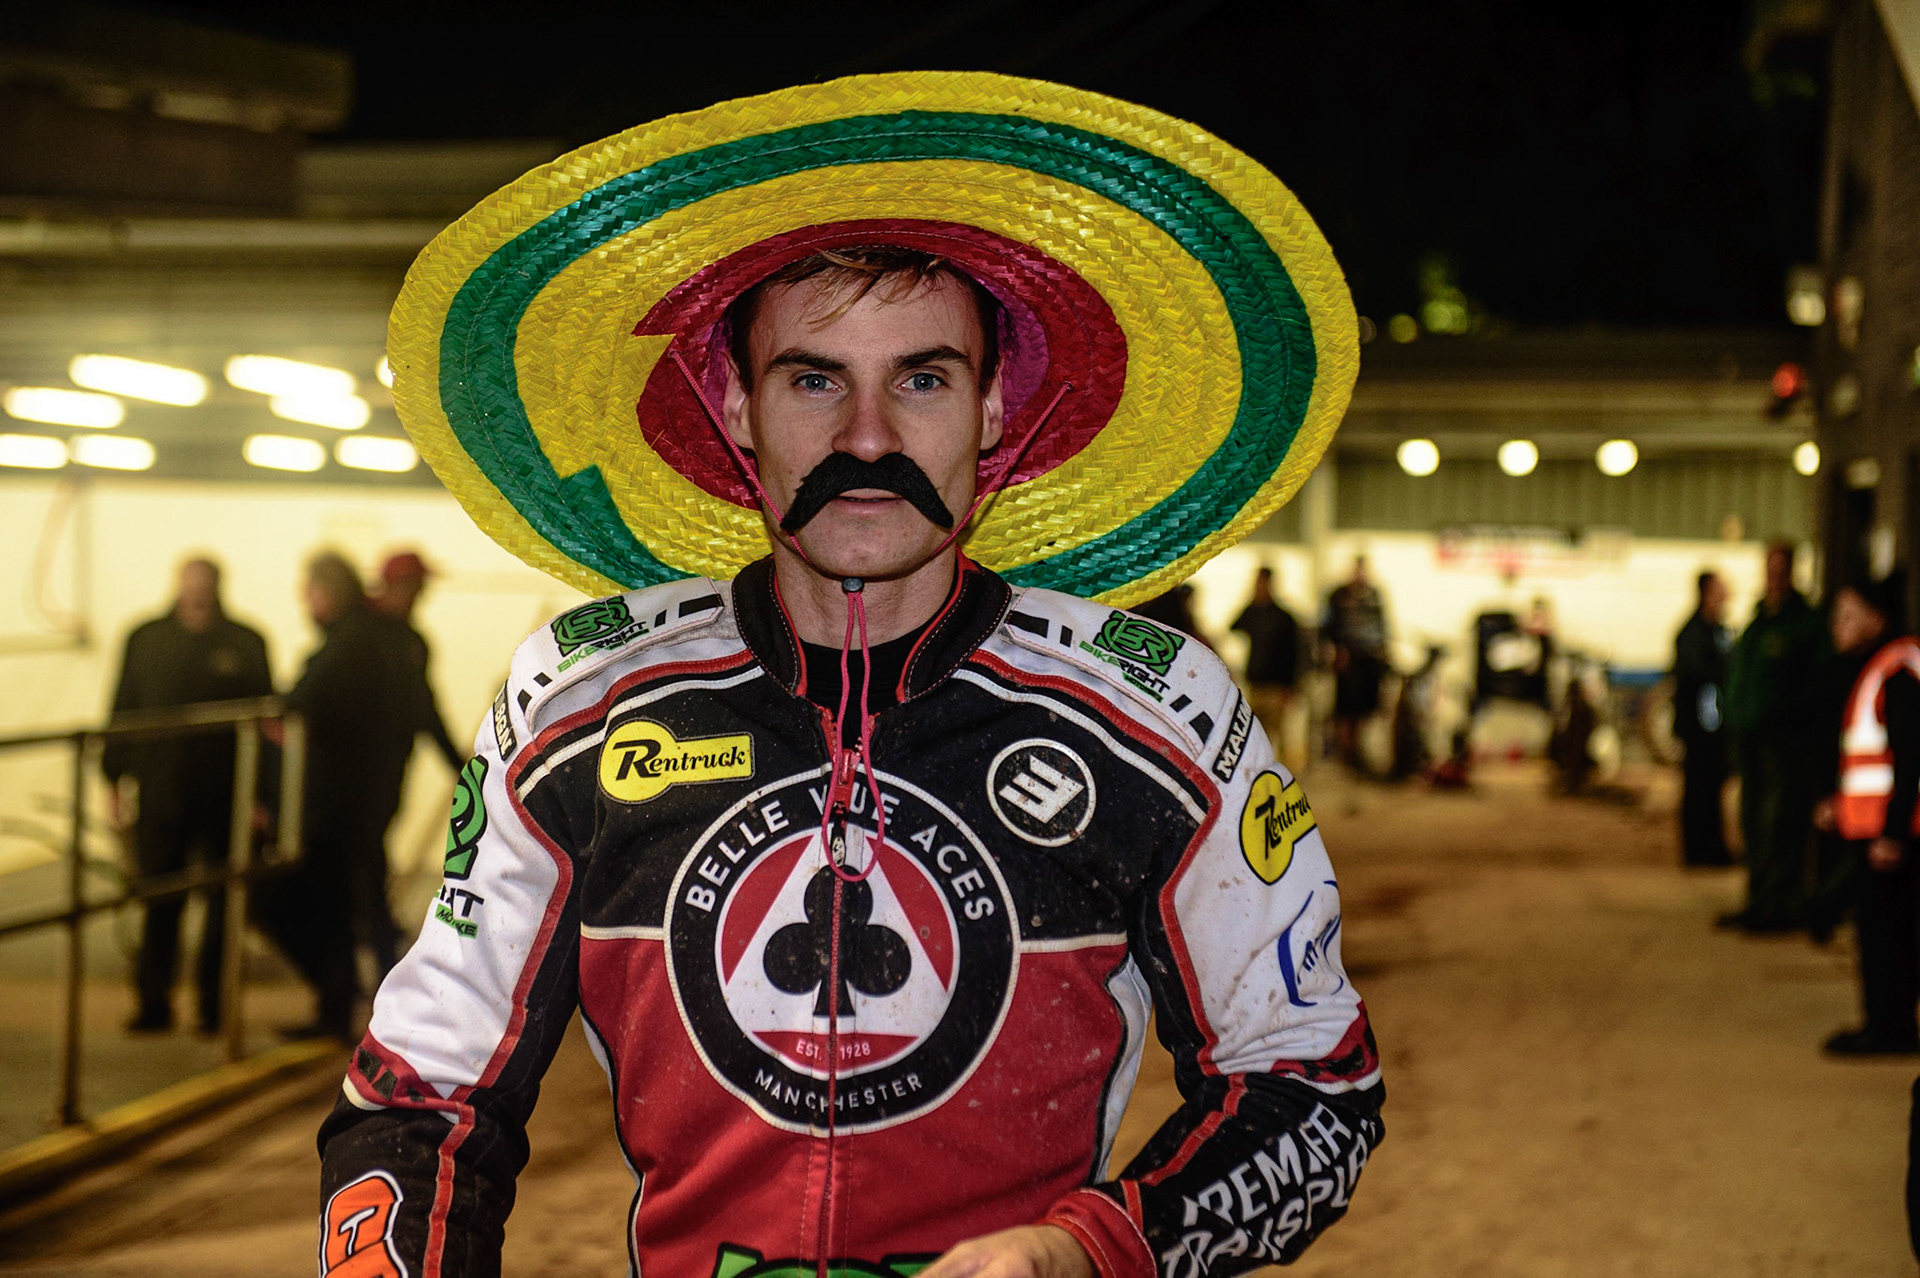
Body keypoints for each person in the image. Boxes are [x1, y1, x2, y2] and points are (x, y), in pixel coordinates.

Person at [316, 74, 1380, 1278]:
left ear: (991, 410)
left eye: (922, 379)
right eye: (814, 379)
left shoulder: (1158, 715)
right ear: (734, 407)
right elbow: (417, 1094)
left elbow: (1314, 1082)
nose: (868, 438)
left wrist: (1090, 1253)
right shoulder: (578, 701)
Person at [101, 557, 272, 1033]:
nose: (197, 598)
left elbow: (267, 726)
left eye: (205, 588)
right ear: (177, 587)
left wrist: (263, 799)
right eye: (191, 588)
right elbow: (123, 710)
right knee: (160, 902)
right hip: (161, 796)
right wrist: (112, 782)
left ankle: (213, 1007)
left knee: (223, 907)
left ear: (218, 589)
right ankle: (153, 1003)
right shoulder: (145, 640)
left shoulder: (245, 643)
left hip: (224, 799)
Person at [266, 552, 421, 1038]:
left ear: (328, 593)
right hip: (370, 793)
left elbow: (302, 705)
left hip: (339, 799)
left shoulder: (349, 644)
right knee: (364, 899)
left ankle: (348, 1004)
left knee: (322, 899)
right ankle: (378, 1004)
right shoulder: (389, 640)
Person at [1821, 574, 1920, 1056]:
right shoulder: (1880, 667)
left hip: (1893, 836)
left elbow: (1909, 759)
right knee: (1879, 934)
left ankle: (1891, 1028)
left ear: (1875, 619)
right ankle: (1884, 1022)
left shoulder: (1898, 671)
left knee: (1889, 938)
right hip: (1874, 829)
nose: (1835, 626)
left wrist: (1895, 833)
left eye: (1846, 616)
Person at [1722, 542, 1827, 932]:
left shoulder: (1803, 624)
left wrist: (1786, 717)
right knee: (1753, 821)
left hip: (1784, 744)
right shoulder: (1758, 622)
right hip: (1750, 740)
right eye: (1769, 567)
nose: (1773, 576)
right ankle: (1757, 897)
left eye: (1780, 568)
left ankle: (1779, 904)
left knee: (1780, 822)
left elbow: (1814, 684)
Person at [1671, 571, 1732, 867]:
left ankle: (1713, 848)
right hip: (1698, 729)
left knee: (1711, 789)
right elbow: (1695, 674)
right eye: (1720, 591)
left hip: (1714, 727)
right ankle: (1697, 851)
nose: (1726, 596)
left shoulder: (1716, 631)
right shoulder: (1692, 634)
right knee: (1698, 789)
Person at [1323, 556, 1389, 771]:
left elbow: (1382, 628)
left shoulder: (1374, 596)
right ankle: (1346, 755)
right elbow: (1326, 628)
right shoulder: (1338, 596)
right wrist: (1335, 652)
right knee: (1345, 711)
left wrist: (1383, 653)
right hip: (1347, 665)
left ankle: (1357, 752)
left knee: (1365, 711)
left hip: (1369, 664)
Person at [1232, 565, 1301, 748]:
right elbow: (1233, 626)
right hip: (1256, 682)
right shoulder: (1254, 612)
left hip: (1276, 686)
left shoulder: (1283, 618)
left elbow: (1293, 653)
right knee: (1255, 735)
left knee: (1276, 734)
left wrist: (1291, 686)